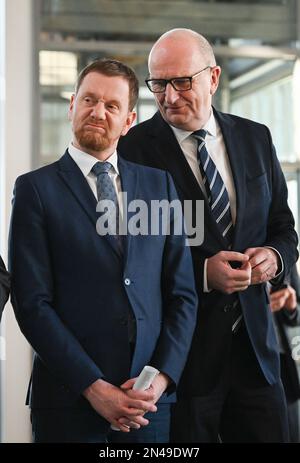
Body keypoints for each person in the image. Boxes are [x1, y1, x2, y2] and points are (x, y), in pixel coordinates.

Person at [118, 28, 299, 442]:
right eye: (158, 83)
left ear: (213, 78)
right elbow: (128, 254)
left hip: (257, 353)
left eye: (182, 81)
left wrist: (274, 256)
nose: (168, 96)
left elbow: (283, 226)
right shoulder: (132, 151)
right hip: (183, 360)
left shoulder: (256, 138)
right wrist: (201, 273)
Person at [9, 58, 198, 443]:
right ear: (72, 107)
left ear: (128, 121)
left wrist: (161, 378)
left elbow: (182, 294)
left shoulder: (159, 186)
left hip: (148, 407)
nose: (98, 112)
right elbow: (32, 303)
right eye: (89, 100)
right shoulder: (35, 190)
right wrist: (94, 386)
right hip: (69, 404)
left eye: (112, 106)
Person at [270, 265, 300, 443]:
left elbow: (297, 313)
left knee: (292, 432)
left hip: (283, 361)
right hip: (246, 359)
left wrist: (292, 307)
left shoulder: (283, 254)